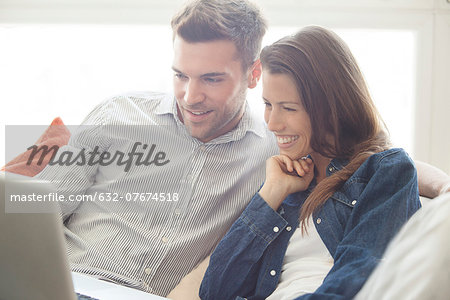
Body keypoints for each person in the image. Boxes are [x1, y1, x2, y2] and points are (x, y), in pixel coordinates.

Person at [31, 1, 448, 298]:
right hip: (65, 284)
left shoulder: (277, 149)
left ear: (252, 74)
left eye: (211, 79)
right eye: (180, 75)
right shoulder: (116, 113)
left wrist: (436, 181)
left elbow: (362, 157)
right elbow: (28, 210)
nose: (189, 96)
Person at [199, 25, 422, 300]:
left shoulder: (386, 171)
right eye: (268, 104)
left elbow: (359, 278)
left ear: (332, 108)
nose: (272, 123)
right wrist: (271, 194)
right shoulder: (287, 182)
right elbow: (214, 291)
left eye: (289, 108)